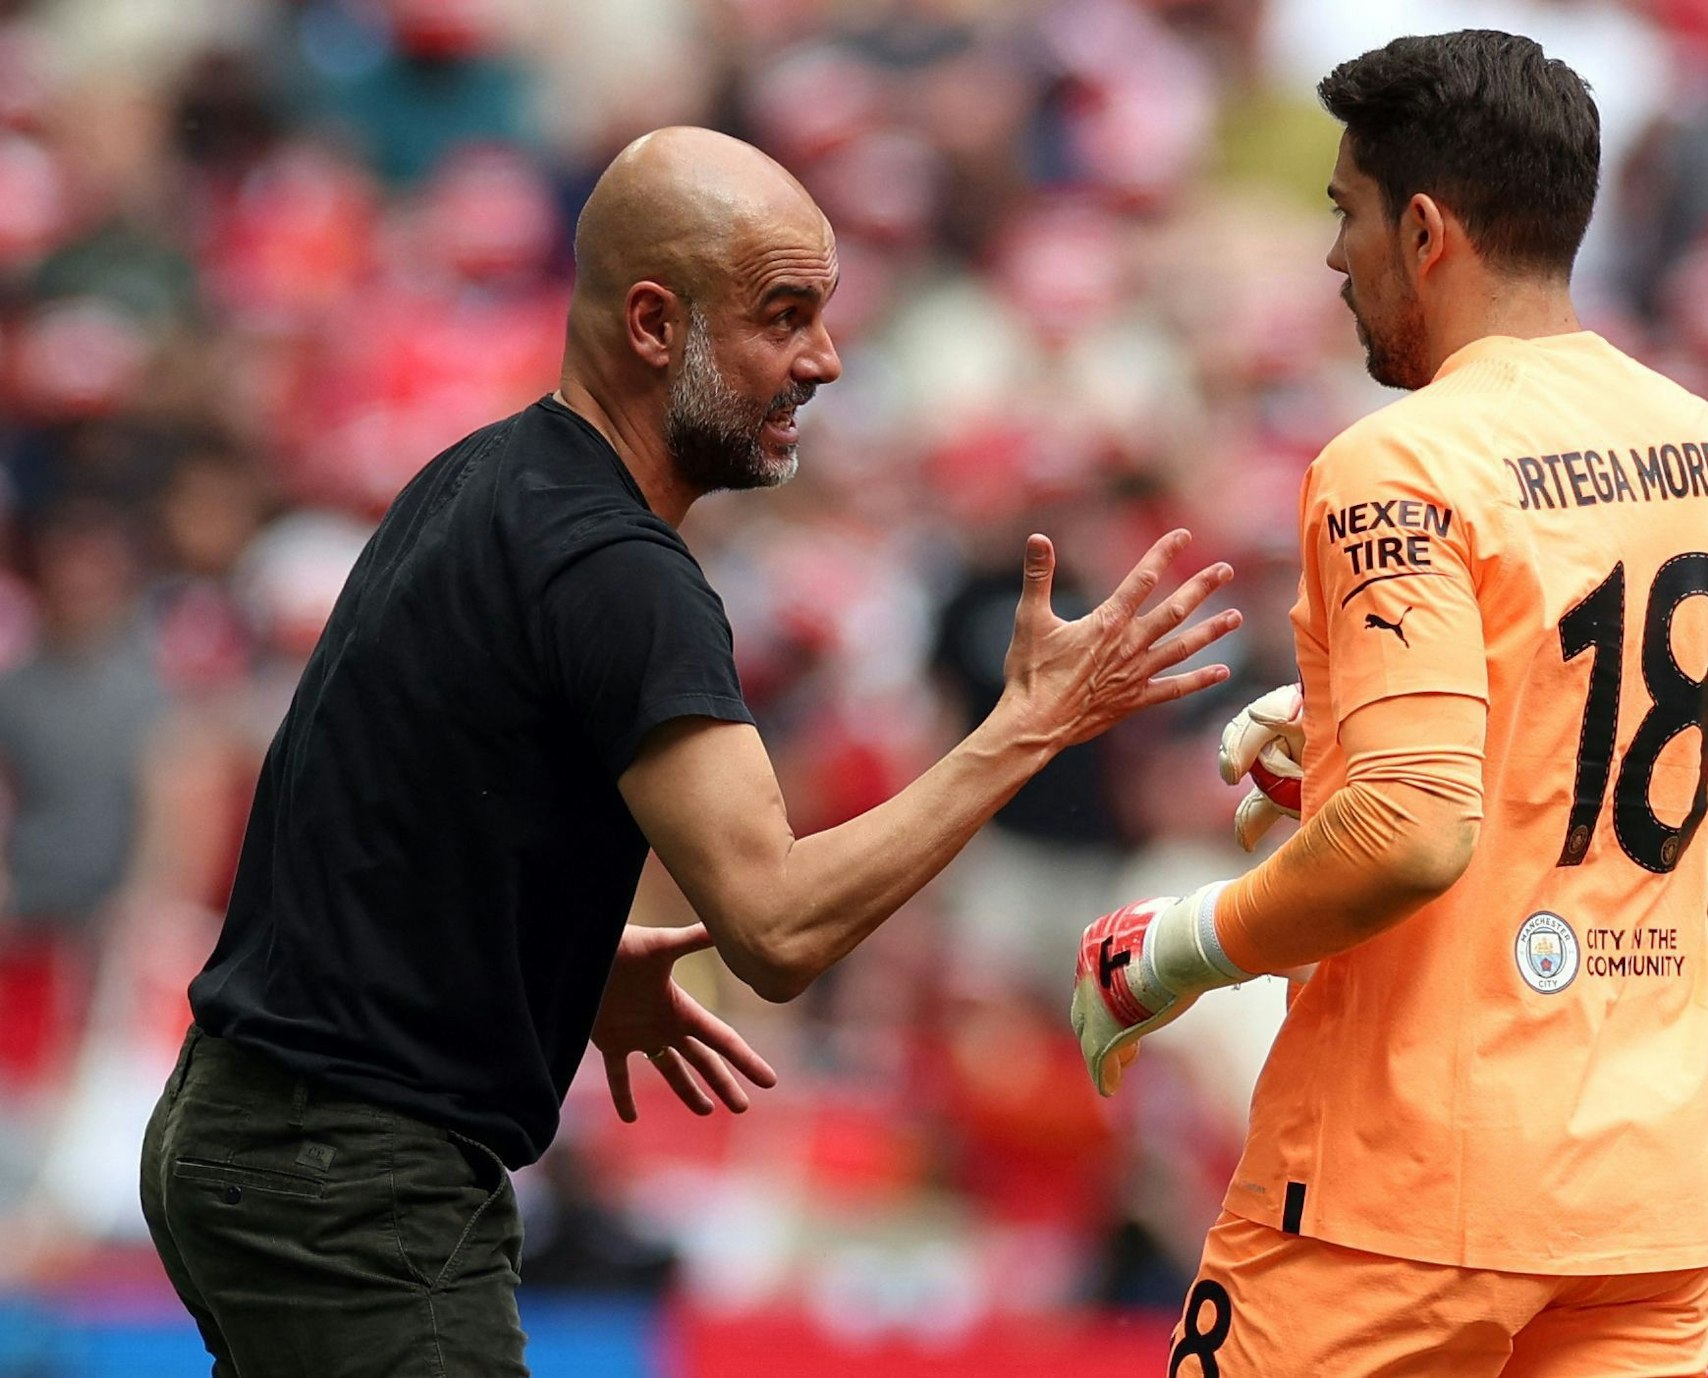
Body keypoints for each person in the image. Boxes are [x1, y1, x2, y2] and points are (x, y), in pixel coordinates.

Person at [139, 127, 1240, 1378]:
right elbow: (776, 929)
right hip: (353, 1176)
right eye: (783, 317)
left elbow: (384, 786)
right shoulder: (621, 573)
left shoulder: (480, 477)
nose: (822, 360)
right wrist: (1029, 724)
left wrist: (552, 952)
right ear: (655, 323)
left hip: (247, 1130)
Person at [1070, 31, 1708, 1377]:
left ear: (1421, 228)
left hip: (1392, 1198)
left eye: (1341, 214)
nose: (1331, 257)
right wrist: (1359, 718)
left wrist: (1173, 948)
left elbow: (1410, 825)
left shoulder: (1395, 458)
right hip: (1640, 1204)